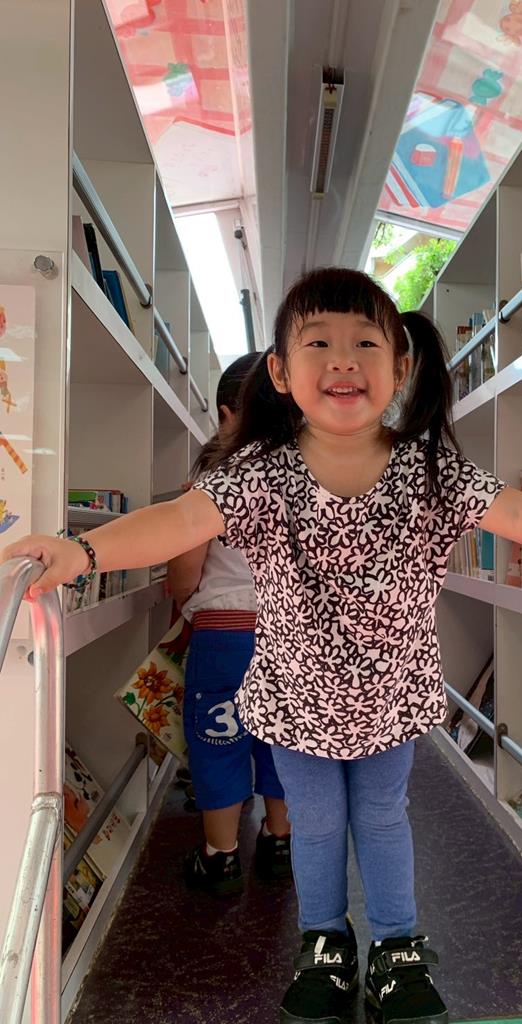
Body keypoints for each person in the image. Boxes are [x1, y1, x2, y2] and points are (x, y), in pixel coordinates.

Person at [6, 267, 522, 1024]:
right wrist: (82, 553)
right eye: (318, 343)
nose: (342, 360)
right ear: (280, 372)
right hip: (295, 698)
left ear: (401, 366)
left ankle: (396, 946)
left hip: (389, 699)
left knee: (382, 817)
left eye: (365, 343)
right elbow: (179, 523)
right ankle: (324, 941)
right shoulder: (257, 473)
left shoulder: (430, 471)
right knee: (314, 824)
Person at [167, 352, 291, 895]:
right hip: (289, 635)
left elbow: (185, 571)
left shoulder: (211, 480)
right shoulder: (307, 477)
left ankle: (220, 858)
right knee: (283, 741)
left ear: (225, 414)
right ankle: (279, 839)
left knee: (218, 739)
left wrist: (185, 599)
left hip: (224, 636)